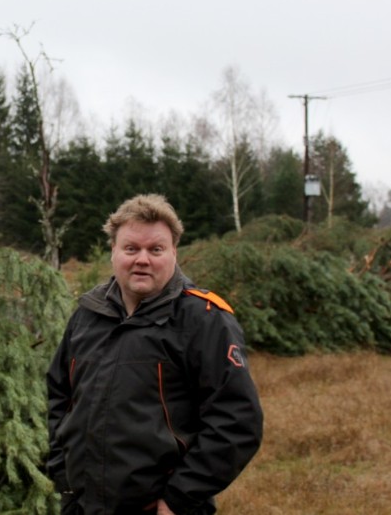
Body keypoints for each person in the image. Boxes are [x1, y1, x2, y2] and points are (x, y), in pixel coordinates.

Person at [46, 194, 263, 515]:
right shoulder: (88, 315)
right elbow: (59, 395)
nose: (142, 259)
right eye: (131, 248)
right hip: (82, 505)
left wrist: (179, 498)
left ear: (174, 252)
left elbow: (237, 421)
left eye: (155, 249)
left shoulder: (203, 319)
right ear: (114, 252)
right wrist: (62, 473)